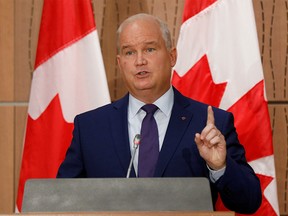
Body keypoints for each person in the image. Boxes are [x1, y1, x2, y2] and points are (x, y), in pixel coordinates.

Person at [57, 13, 262, 214]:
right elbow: (58, 202)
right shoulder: (90, 127)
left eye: (149, 49)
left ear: (172, 56)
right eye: (129, 52)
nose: (139, 61)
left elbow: (249, 202)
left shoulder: (210, 123)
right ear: (120, 63)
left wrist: (220, 166)